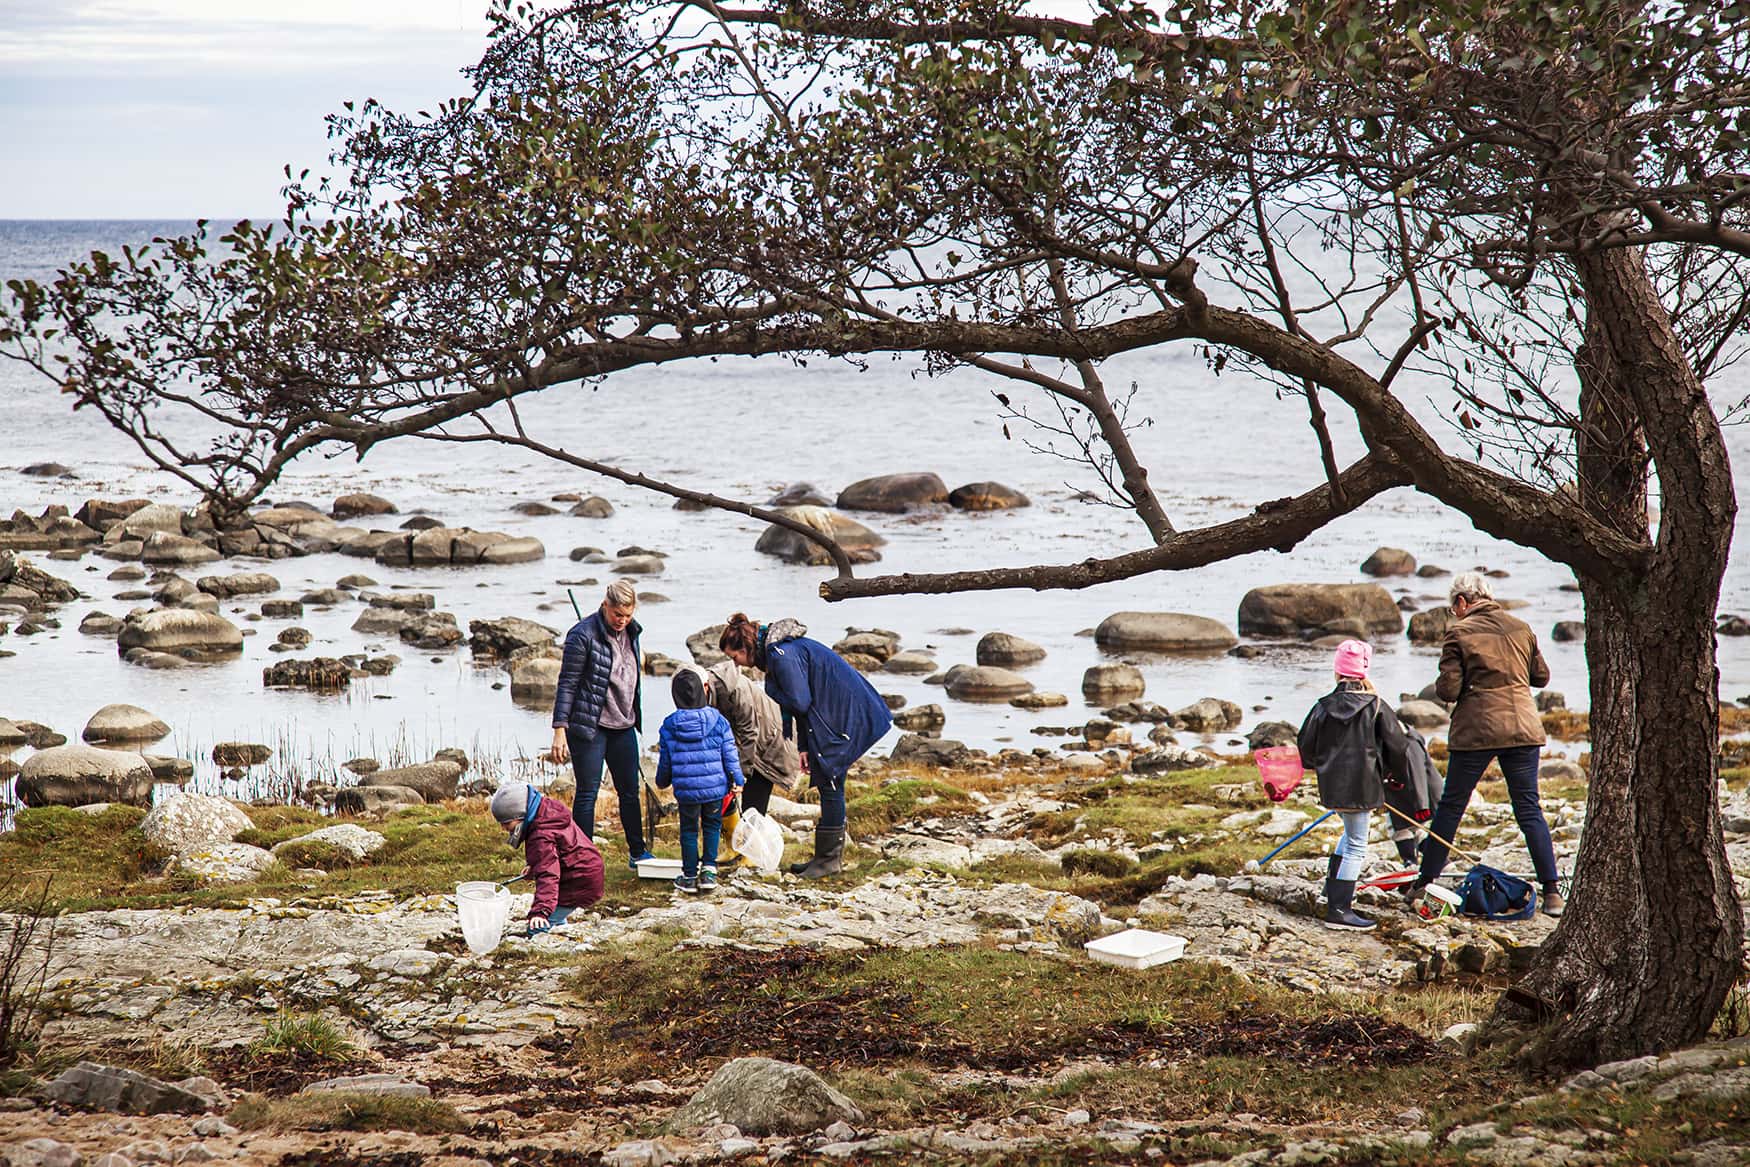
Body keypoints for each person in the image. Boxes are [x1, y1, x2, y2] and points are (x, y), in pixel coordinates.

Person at [1407, 571, 1564, 916]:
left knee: (1451, 806)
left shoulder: (1459, 633)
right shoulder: (1521, 627)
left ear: (1462, 602)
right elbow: (1541, 677)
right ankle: (1552, 892)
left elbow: (1447, 690)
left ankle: (1424, 882)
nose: (1454, 613)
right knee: (1528, 807)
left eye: (1453, 607)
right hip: (1523, 725)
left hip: (1477, 729)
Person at [719, 614, 892, 878]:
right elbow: (802, 703)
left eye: (735, 657)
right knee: (828, 780)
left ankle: (829, 861)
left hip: (848, 714)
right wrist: (804, 748)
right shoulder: (780, 651)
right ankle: (823, 858)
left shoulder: (781, 655)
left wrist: (771, 692)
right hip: (837, 710)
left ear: (745, 649)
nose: (736, 664)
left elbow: (799, 701)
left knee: (830, 780)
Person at [1296, 639, 1419, 932]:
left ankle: (1331, 891)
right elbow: (1398, 747)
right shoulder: (1375, 704)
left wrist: (1320, 767)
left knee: (1350, 835)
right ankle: (1339, 910)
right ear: (1364, 672)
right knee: (1356, 845)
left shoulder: (1322, 706)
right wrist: (1395, 777)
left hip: (1332, 786)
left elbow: (1305, 746)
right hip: (1363, 787)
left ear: (1338, 672)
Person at [551, 580, 653, 871]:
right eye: (617, 614)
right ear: (605, 605)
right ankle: (582, 859)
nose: (621, 621)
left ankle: (638, 853)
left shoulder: (632, 632)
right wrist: (560, 728)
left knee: (629, 791)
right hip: (589, 726)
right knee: (588, 792)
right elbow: (567, 683)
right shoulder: (581, 635)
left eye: (627, 615)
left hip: (623, 724)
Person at [655, 667, 745, 894]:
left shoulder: (669, 725)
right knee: (712, 826)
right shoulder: (718, 720)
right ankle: (709, 872)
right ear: (703, 693)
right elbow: (730, 754)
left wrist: (662, 781)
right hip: (715, 789)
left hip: (687, 791)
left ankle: (689, 876)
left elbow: (666, 759)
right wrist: (738, 779)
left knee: (688, 830)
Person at [489, 783, 604, 934]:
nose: (503, 828)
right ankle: (560, 930)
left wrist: (540, 911)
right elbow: (554, 856)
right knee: (555, 912)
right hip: (585, 871)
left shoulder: (541, 835)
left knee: (536, 929)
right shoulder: (548, 812)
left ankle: (553, 940)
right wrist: (535, 866)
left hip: (578, 882)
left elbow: (548, 874)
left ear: (521, 816)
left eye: (506, 823)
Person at [705, 656, 804, 818]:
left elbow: (748, 732)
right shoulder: (710, 690)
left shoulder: (736, 690)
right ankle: (737, 836)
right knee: (740, 805)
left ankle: (752, 839)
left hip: (769, 745)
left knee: (753, 810)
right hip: (754, 744)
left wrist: (739, 775)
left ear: (704, 686)